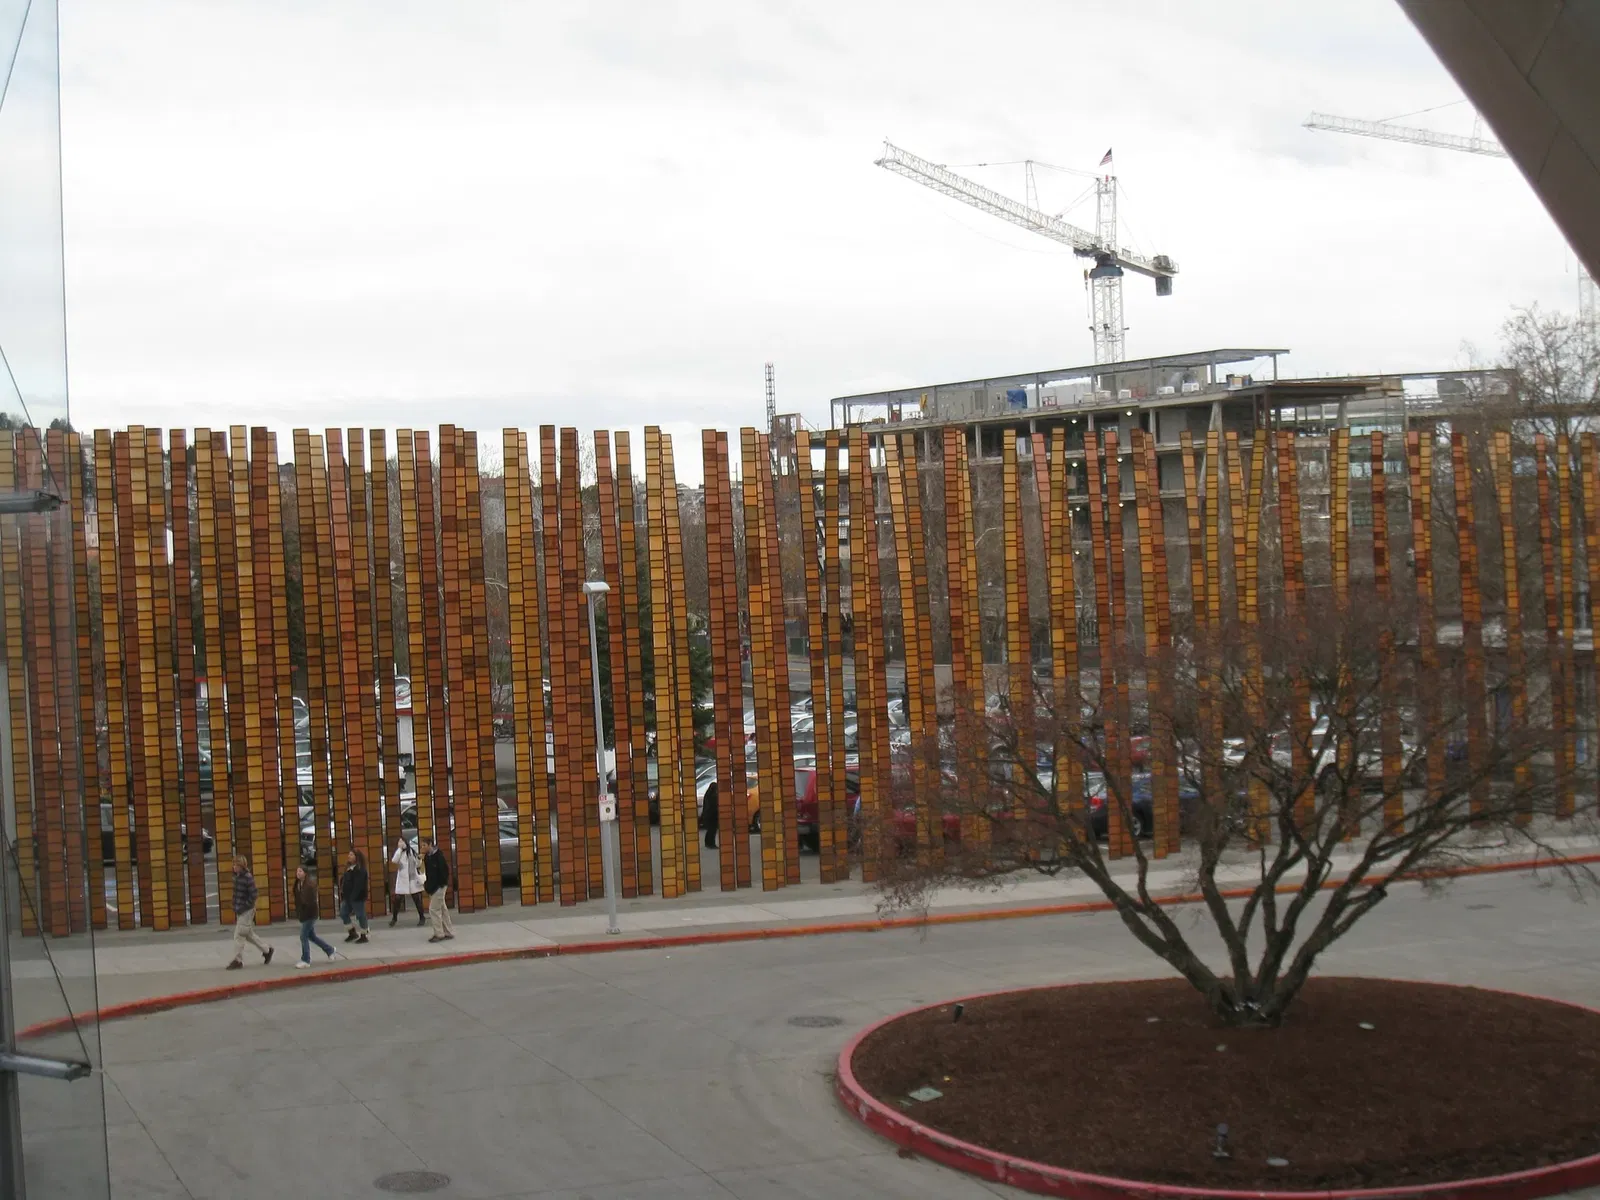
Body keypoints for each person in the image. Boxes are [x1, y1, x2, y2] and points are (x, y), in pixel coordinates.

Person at [226, 857, 274, 970]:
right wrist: (234, 905)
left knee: (239, 935)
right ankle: (267, 950)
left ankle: (238, 960)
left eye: (235, 865)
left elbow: (254, 895)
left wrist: (244, 906)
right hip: (240, 910)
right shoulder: (237, 877)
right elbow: (236, 893)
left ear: (241, 866)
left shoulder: (247, 877)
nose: (233, 867)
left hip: (246, 911)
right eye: (233, 865)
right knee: (248, 934)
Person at [293, 865, 339, 968]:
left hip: (310, 914)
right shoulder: (298, 884)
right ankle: (330, 950)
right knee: (312, 936)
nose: (298, 873)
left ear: (305, 873)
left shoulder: (310, 885)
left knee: (303, 935)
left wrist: (304, 908)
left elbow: (310, 901)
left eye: (300, 871)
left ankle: (306, 960)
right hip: (304, 914)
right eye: (297, 871)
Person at [422, 836, 454, 943]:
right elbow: (428, 873)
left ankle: (439, 933)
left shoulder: (438, 855)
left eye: (424, 845)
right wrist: (428, 885)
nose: (423, 847)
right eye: (422, 845)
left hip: (439, 886)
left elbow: (444, 871)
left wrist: (441, 884)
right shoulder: (427, 857)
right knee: (442, 908)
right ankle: (448, 931)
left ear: (430, 844)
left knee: (433, 909)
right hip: (433, 886)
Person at [389, 834, 425, 926]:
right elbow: (394, 860)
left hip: (412, 879)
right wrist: (400, 849)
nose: (401, 843)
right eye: (399, 841)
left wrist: (419, 859)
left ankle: (422, 917)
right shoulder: (399, 852)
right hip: (402, 880)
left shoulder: (411, 851)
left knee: (416, 899)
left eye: (402, 841)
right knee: (397, 899)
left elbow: (417, 864)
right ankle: (394, 918)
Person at [338, 849, 371, 944]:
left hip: (357, 897)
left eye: (351, 855)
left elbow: (359, 885)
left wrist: (354, 896)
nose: (349, 856)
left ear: (357, 857)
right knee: (343, 913)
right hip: (347, 896)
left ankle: (364, 935)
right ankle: (352, 932)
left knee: (360, 915)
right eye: (349, 854)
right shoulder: (348, 868)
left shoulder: (360, 869)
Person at [701, 780, 720, 850]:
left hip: (708, 815)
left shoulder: (708, 794)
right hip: (712, 815)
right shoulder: (713, 796)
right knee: (712, 830)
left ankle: (708, 843)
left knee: (710, 830)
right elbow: (714, 806)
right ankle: (711, 843)